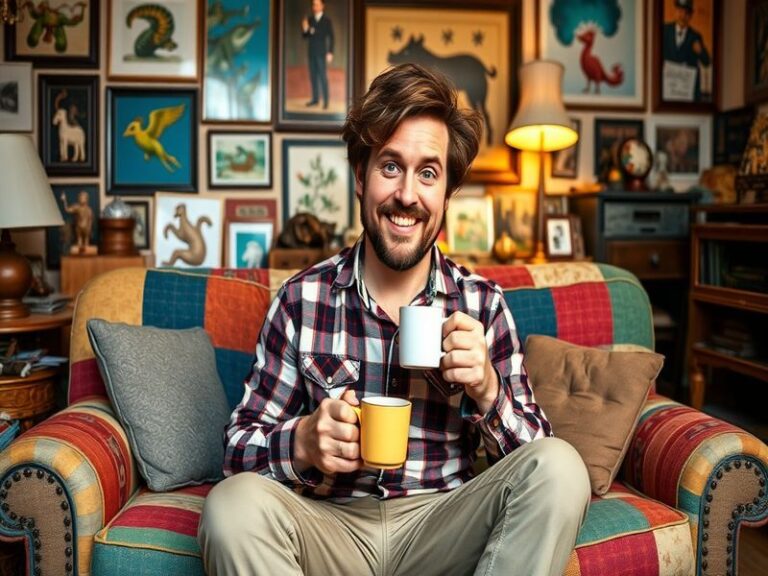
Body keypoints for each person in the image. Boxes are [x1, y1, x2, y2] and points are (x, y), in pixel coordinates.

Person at [198, 63, 590, 576]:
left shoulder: (482, 304)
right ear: (360, 177)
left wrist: (489, 389)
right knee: (231, 508)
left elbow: (537, 458)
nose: (407, 194)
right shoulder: (301, 299)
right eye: (390, 166)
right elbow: (235, 450)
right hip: (329, 526)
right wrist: (302, 442)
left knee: (562, 468)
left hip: (444, 524)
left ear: (447, 194)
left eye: (428, 173)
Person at [662, 0, 711, 101]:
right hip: (667, 89)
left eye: (686, 13)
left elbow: (707, 62)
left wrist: (700, 51)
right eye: (680, 11)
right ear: (675, 11)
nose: (682, 15)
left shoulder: (695, 36)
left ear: (691, 16)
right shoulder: (664, 30)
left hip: (687, 92)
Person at [301, 0, 333, 109]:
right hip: (311, 52)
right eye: (314, 4)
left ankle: (326, 101)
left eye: (317, 4)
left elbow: (331, 36)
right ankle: (315, 100)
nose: (315, 6)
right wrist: (305, 28)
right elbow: (305, 36)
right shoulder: (310, 19)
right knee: (313, 76)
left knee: (323, 77)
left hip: (321, 52)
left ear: (322, 6)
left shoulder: (326, 20)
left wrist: (330, 52)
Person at [60, 190, 93, 254]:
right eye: (80, 197)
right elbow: (67, 210)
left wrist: (90, 227)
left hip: (86, 228)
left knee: (86, 242)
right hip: (78, 227)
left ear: (87, 199)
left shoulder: (89, 209)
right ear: (78, 199)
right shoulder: (77, 207)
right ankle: (79, 255)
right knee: (79, 242)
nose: (82, 199)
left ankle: (86, 255)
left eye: (83, 197)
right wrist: (64, 201)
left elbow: (90, 220)